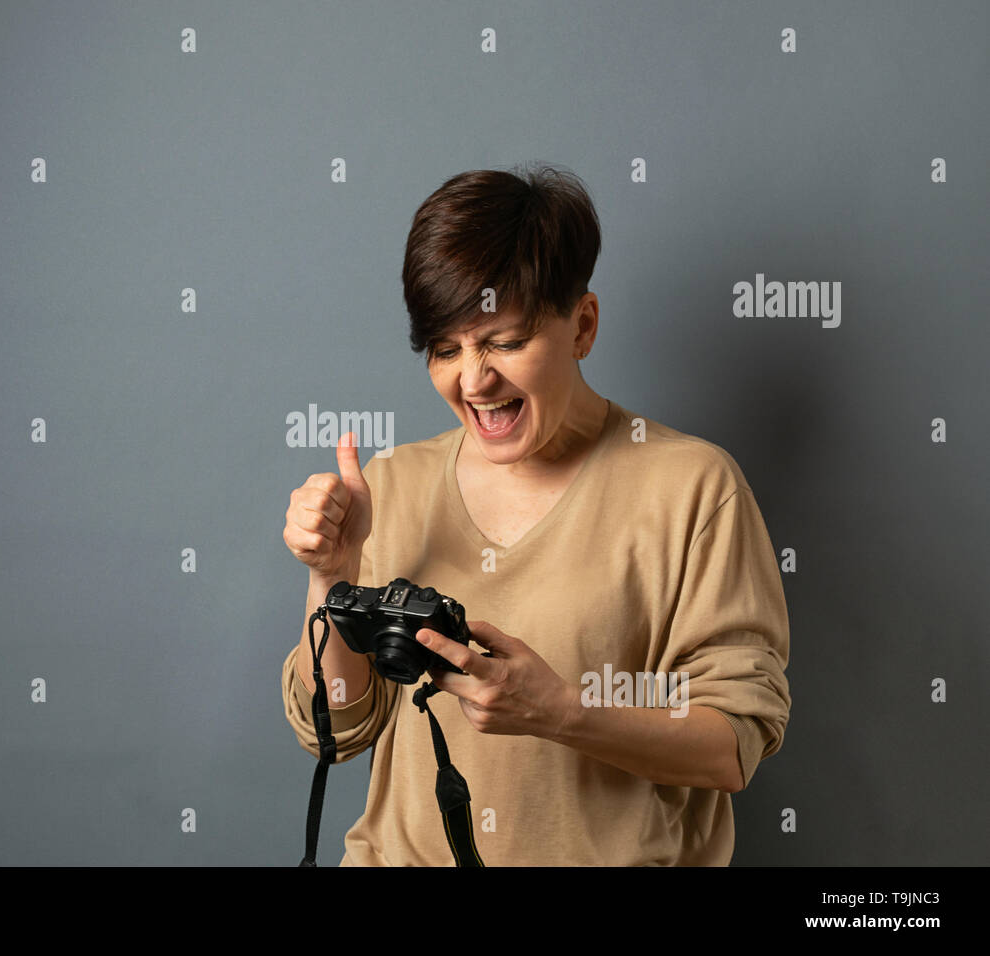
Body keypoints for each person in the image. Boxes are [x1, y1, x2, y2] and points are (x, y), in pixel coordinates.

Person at [280, 163, 791, 866]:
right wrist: (330, 580)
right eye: (445, 349)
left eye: (505, 342)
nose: (474, 380)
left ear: (582, 326)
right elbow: (333, 732)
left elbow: (732, 747)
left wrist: (563, 714)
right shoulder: (391, 485)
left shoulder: (693, 488)